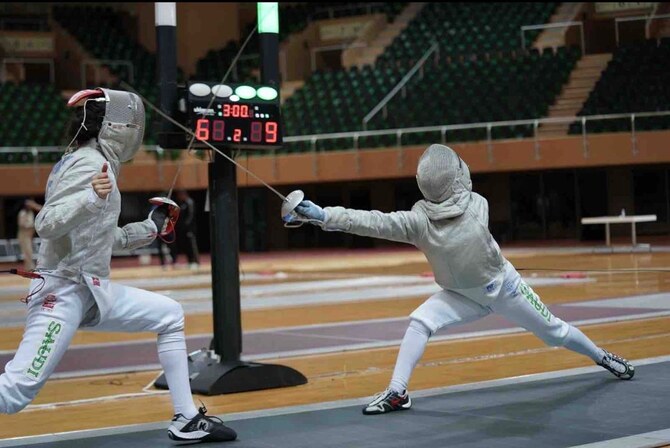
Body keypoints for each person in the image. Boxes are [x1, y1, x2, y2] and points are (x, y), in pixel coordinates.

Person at [290, 144, 635, 416]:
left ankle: (602, 357)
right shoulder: (435, 215)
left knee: (554, 332)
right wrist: (323, 216)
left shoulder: (460, 210)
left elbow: (385, 221)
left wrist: (325, 217)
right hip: (460, 294)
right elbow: (372, 221)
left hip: (505, 287)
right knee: (420, 322)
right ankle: (398, 391)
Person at [0, 88, 236, 442]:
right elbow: (46, 223)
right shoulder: (88, 163)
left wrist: (151, 227)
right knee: (13, 393)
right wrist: (91, 198)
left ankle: (186, 418)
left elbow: (101, 237)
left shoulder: (95, 159)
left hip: (91, 287)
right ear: (115, 127)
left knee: (169, 314)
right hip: (62, 289)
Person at [174, 189, 200, 270]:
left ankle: (196, 261)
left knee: (192, 245)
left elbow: (190, 216)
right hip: (183, 229)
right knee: (186, 245)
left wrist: (187, 226)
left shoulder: (189, 202)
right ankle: (190, 261)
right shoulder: (181, 203)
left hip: (190, 229)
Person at [17, 199, 42, 270]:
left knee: (30, 251)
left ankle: (30, 267)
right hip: (23, 235)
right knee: (27, 251)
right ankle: (29, 268)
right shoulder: (22, 213)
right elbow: (22, 224)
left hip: (29, 235)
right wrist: (31, 226)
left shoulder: (30, 213)